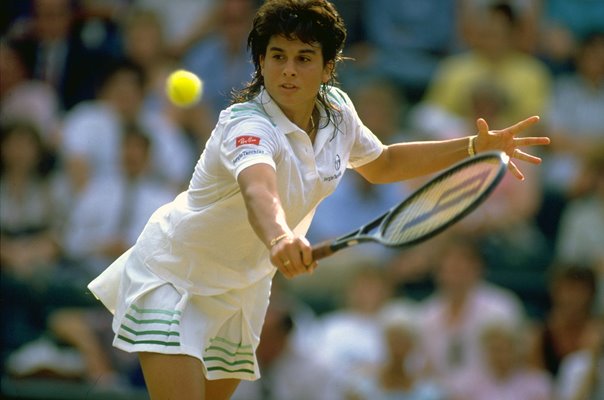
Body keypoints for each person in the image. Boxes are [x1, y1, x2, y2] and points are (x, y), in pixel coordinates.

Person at [86, 1, 550, 399]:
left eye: (304, 58)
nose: (289, 69)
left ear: (328, 67)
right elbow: (258, 189)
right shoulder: (244, 125)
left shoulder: (338, 111)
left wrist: (473, 147)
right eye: (277, 56)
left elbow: (383, 163)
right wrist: (280, 239)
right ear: (261, 63)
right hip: (175, 274)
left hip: (242, 286)